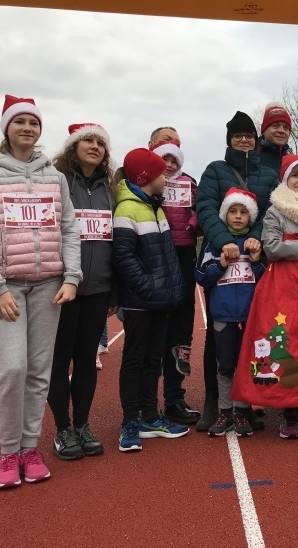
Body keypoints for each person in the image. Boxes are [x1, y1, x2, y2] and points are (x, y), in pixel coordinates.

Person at [0, 94, 82, 489]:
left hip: (49, 285)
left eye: (33, 122)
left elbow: (69, 229)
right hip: (7, 288)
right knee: (12, 368)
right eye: (20, 122)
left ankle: (30, 449)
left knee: (38, 371)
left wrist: (72, 277)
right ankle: (8, 452)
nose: (28, 128)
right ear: (7, 128)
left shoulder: (55, 177)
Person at [231, 155, 298, 439]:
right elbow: (272, 248)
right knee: (284, 346)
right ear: (286, 179)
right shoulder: (276, 210)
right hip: (282, 291)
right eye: (296, 175)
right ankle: (287, 413)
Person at [195, 111, 278, 432]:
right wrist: (225, 241)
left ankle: (245, 406)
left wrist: (254, 238)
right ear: (229, 140)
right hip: (223, 258)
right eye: (237, 136)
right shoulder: (215, 169)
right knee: (219, 347)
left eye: (248, 136)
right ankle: (216, 403)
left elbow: (270, 212)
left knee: (252, 348)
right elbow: (206, 207)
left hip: (253, 256)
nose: (243, 140)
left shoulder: (268, 173)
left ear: (256, 140)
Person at [46, 122, 115, 461]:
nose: (94, 146)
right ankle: (62, 428)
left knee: (86, 359)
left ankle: (82, 425)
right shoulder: (57, 182)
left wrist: (114, 286)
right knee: (59, 360)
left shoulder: (111, 190)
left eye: (100, 142)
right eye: (87, 140)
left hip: (98, 287)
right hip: (62, 288)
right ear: (73, 147)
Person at [113, 147, 189, 452]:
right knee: (134, 359)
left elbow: (166, 255)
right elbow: (123, 256)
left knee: (152, 360)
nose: (165, 178)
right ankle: (129, 422)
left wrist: (170, 288)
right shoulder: (127, 209)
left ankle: (149, 416)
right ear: (146, 177)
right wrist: (148, 287)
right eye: (160, 173)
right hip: (140, 301)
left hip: (159, 300)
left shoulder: (154, 207)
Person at [195, 187, 266, 437]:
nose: (237, 216)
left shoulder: (254, 244)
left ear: (251, 217)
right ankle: (225, 411)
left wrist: (256, 261)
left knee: (246, 365)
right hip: (223, 317)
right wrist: (221, 264)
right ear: (224, 214)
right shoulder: (214, 243)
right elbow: (201, 276)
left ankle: (241, 412)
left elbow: (264, 280)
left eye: (243, 212)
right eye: (232, 211)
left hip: (249, 317)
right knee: (224, 366)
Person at [149, 133, 201, 425]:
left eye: (173, 159)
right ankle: (146, 402)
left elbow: (203, 209)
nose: (169, 164)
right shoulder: (144, 182)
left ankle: (174, 398)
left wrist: (195, 221)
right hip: (155, 253)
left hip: (184, 254)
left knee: (181, 328)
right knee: (153, 329)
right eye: (164, 158)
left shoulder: (189, 183)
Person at [257, 102, 294, 173]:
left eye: (285, 127)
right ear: (264, 130)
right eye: (275, 126)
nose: (281, 131)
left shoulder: (293, 163)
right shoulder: (251, 160)